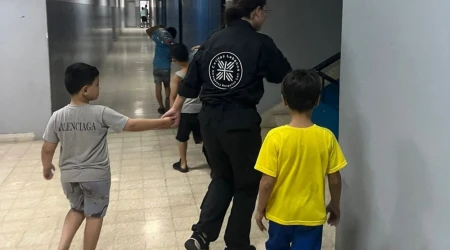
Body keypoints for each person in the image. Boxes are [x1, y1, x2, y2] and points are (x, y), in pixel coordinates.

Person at [163, 0, 291, 249]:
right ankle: (237, 243)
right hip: (240, 123)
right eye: (265, 11)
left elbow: (191, 81)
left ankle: (200, 234)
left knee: (221, 178)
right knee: (246, 183)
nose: (265, 17)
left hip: (209, 122)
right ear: (256, 12)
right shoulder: (260, 42)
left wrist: (176, 108)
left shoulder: (213, 39)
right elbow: (282, 74)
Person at [41, 63, 175, 250]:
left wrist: (46, 167)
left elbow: (48, 147)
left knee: (76, 209)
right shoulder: (100, 113)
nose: (99, 88)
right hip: (96, 177)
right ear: (85, 90)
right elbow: (131, 125)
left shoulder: (57, 116)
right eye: (97, 84)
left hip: (69, 177)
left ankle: (62, 247)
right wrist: (162, 124)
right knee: (94, 215)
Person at [253, 70, 347, 250]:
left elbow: (267, 182)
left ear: (284, 100)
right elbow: (335, 179)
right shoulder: (326, 137)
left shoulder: (275, 137)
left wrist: (260, 209)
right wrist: (335, 204)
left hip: (280, 215)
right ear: (317, 101)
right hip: (311, 217)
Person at [169, 43, 202, 173]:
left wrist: (173, 114)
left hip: (186, 112)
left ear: (174, 59)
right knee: (204, 138)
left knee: (182, 138)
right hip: (201, 110)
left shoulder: (177, 76)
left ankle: (183, 164)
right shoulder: (198, 69)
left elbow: (173, 96)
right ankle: (214, 163)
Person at [146, 26, 178, 114]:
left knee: (158, 86)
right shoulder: (172, 45)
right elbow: (173, 58)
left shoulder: (158, 41)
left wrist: (159, 27)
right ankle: (168, 106)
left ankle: (161, 106)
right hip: (166, 68)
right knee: (167, 87)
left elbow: (148, 31)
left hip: (156, 66)